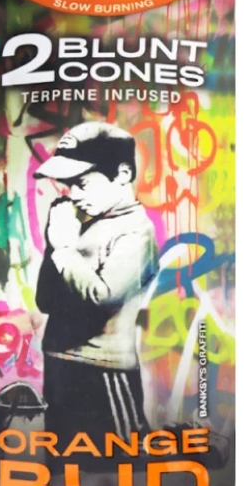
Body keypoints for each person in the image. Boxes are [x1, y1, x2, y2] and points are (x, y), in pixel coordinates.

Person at [34, 121, 159, 454]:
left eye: (82, 182)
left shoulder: (137, 230)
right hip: (60, 364)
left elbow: (101, 300)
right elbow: (46, 300)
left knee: (122, 461)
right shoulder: (84, 226)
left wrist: (64, 248)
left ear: (122, 174)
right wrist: (54, 245)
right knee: (62, 460)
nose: (73, 194)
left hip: (104, 370)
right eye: (68, 185)